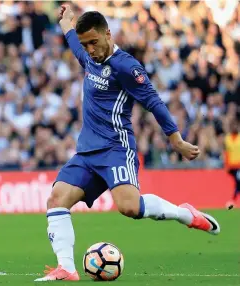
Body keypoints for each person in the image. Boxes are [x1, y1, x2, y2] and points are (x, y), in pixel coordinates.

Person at [35, 5, 220, 282]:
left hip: (115, 149)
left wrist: (176, 139)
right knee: (56, 199)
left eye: (94, 42)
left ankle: (185, 214)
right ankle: (67, 268)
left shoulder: (126, 67)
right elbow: (73, 40)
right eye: (86, 44)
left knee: (130, 208)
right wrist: (66, 22)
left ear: (108, 34)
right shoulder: (88, 57)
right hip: (87, 152)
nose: (90, 49)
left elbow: (154, 102)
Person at [224, 119, 240, 209]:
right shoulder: (228, 138)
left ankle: (232, 201)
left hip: (239, 165)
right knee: (237, 183)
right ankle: (233, 200)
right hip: (232, 166)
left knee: (238, 182)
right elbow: (227, 153)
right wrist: (226, 165)